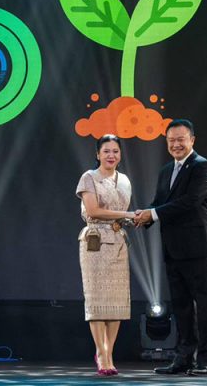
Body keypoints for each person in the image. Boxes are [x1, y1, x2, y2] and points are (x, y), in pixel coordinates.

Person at [134, 119, 207, 376]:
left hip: (200, 248)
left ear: (192, 140)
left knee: (205, 307)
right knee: (181, 307)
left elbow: (190, 202)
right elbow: (160, 202)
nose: (175, 144)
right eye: (171, 140)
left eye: (181, 139)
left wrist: (152, 214)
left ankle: (206, 361)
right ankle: (183, 359)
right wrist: (141, 217)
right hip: (173, 249)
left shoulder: (202, 166)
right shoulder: (166, 171)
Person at [75, 134, 135, 377]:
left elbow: (122, 215)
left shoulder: (125, 180)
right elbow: (93, 210)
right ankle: (102, 354)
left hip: (118, 241)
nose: (111, 155)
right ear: (97, 154)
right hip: (95, 242)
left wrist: (133, 219)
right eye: (106, 151)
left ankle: (109, 353)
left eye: (115, 151)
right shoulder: (89, 177)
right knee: (98, 300)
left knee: (116, 302)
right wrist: (129, 215)